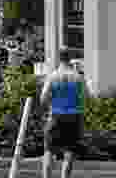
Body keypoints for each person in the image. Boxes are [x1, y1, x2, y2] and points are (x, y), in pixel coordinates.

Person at [39, 48, 116, 178]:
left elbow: (43, 98)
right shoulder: (78, 77)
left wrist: (51, 105)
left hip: (56, 115)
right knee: (69, 151)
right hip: (74, 116)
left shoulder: (53, 76)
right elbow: (88, 96)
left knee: (49, 151)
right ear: (70, 58)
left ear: (59, 58)